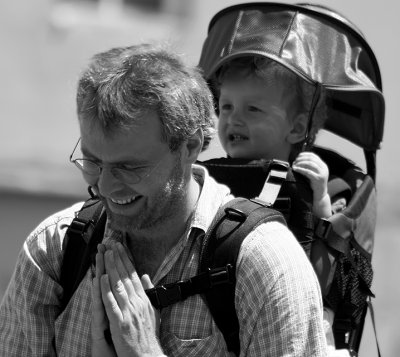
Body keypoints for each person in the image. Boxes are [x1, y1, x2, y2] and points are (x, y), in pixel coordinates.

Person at [0, 43, 327, 356]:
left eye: (130, 167)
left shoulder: (264, 265)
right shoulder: (53, 250)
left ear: (189, 147)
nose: (106, 187)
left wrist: (144, 351)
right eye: (93, 162)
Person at [211, 55, 344, 353]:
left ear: (296, 129)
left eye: (253, 109)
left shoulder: (305, 180)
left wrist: (321, 196)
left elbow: (321, 252)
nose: (233, 118)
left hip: (294, 314)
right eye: (226, 106)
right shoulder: (212, 177)